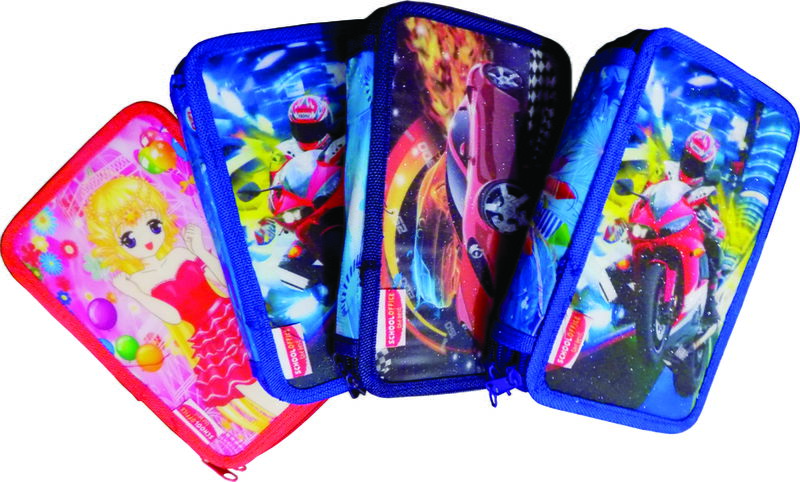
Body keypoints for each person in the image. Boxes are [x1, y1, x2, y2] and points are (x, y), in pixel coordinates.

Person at [84, 176, 286, 426]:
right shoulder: (141, 280)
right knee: (240, 376)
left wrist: (199, 251)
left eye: (153, 225)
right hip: (209, 337)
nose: (147, 239)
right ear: (113, 246)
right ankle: (283, 415)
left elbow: (225, 287)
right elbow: (173, 316)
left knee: (273, 359)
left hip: (232, 314)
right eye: (130, 239)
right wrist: (136, 293)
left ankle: (293, 397)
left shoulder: (180, 253)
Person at [679, 130, 725, 326]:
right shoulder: (667, 172)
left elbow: (718, 223)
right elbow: (649, 191)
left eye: (698, 166)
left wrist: (712, 225)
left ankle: (709, 302)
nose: (692, 168)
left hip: (689, 234)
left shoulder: (709, 190)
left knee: (712, 247)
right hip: (660, 225)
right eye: (690, 161)